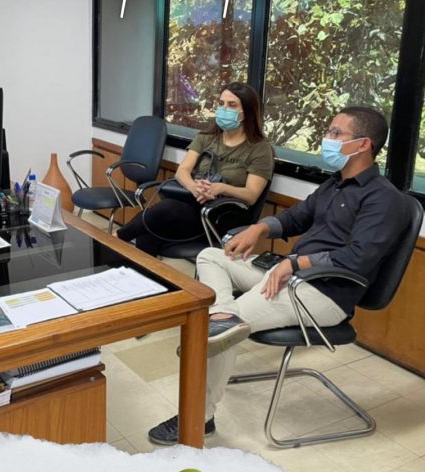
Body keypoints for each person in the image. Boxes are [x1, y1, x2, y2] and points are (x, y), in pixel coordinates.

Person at [147, 106, 410, 445]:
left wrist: (295, 264)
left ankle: (200, 417)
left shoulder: (385, 200)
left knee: (223, 325)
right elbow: (295, 218)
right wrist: (259, 228)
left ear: (363, 145)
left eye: (336, 133)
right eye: (328, 132)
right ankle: (222, 318)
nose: (327, 139)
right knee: (211, 256)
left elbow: (358, 259)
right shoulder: (334, 185)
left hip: (325, 293)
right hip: (289, 274)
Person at [115, 82, 274, 256]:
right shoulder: (207, 137)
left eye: (231, 105)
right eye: (221, 104)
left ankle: (117, 238)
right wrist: (194, 187)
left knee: (164, 210)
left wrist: (221, 188)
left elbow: (251, 195)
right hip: (191, 204)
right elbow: (182, 171)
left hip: (221, 215)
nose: (224, 109)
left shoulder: (260, 149)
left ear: (247, 112)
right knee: (148, 232)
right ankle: (137, 268)